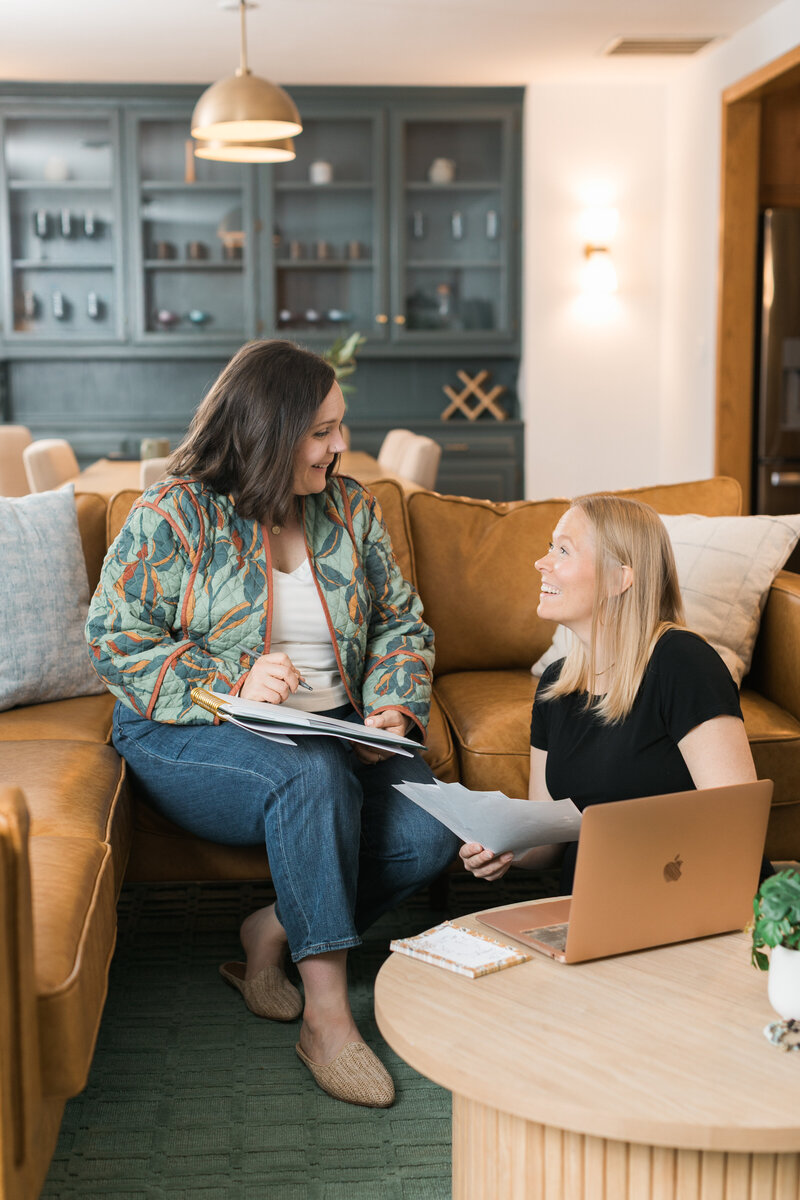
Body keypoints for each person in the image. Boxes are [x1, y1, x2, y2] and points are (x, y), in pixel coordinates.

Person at [86, 339, 458, 1109]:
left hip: (335, 728)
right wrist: (230, 679)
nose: (339, 445)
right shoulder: (174, 511)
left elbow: (400, 621)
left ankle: (274, 928)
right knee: (310, 773)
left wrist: (392, 702)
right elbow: (114, 638)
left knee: (433, 828)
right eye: (322, 429)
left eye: (339, 426)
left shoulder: (351, 508)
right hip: (189, 734)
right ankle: (327, 1018)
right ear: (270, 427)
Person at [460, 492, 763, 892]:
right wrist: (506, 847)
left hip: (686, 894)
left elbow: (737, 822)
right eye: (551, 546)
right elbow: (550, 841)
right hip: (595, 903)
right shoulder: (556, 685)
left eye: (563, 551)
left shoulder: (682, 662)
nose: (542, 562)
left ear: (620, 578)